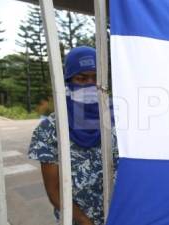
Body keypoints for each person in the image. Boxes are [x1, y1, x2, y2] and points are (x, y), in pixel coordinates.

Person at [28, 46, 118, 225]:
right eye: (82, 78)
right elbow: (54, 191)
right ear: (69, 80)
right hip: (77, 220)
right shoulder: (50, 129)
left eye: (96, 77)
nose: (91, 84)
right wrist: (85, 222)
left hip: (120, 214)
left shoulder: (119, 119)